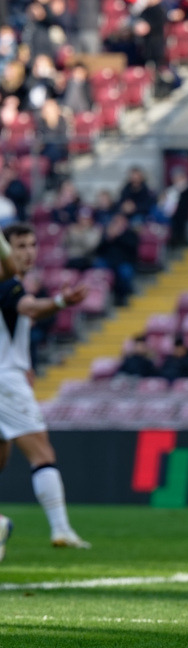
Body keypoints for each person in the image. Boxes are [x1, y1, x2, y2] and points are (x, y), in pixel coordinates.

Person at [0, 224, 90, 549]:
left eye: (33, 244)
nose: (29, 252)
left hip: (11, 375)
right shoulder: (8, 285)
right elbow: (29, 307)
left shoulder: (13, 285)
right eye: (20, 246)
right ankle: (61, 529)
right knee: (42, 453)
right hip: (5, 382)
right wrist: (61, 300)